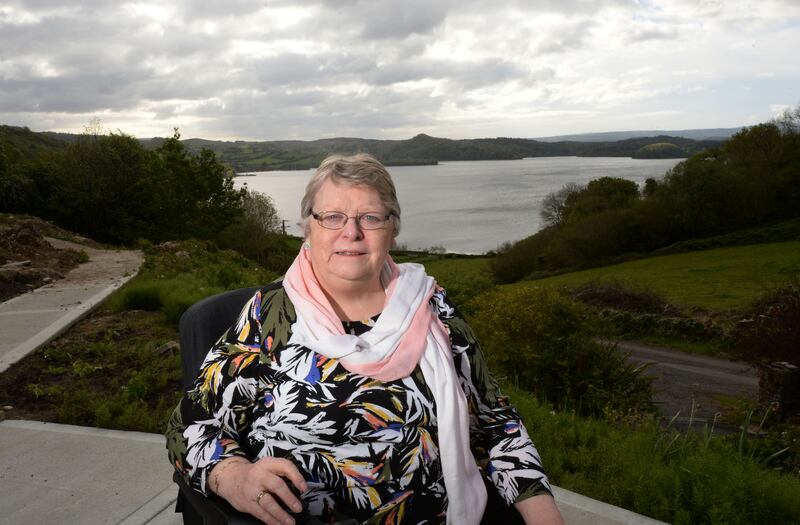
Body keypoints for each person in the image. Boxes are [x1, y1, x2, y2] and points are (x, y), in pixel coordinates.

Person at [167, 154, 565, 525]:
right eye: (333, 217)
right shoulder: (270, 315)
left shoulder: (431, 306)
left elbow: (498, 424)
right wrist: (235, 477)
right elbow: (191, 424)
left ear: (393, 229)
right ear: (309, 227)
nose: (351, 233)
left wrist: (546, 518)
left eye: (370, 218)